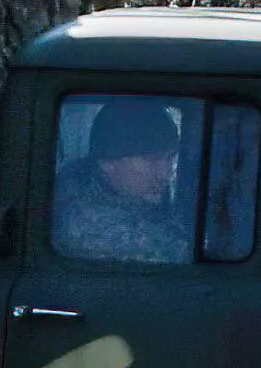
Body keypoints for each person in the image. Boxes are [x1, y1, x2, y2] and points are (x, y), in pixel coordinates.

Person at [54, 97, 197, 264]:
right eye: (152, 160)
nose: (166, 174)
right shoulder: (96, 229)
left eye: (170, 158)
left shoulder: (103, 184)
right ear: (107, 162)